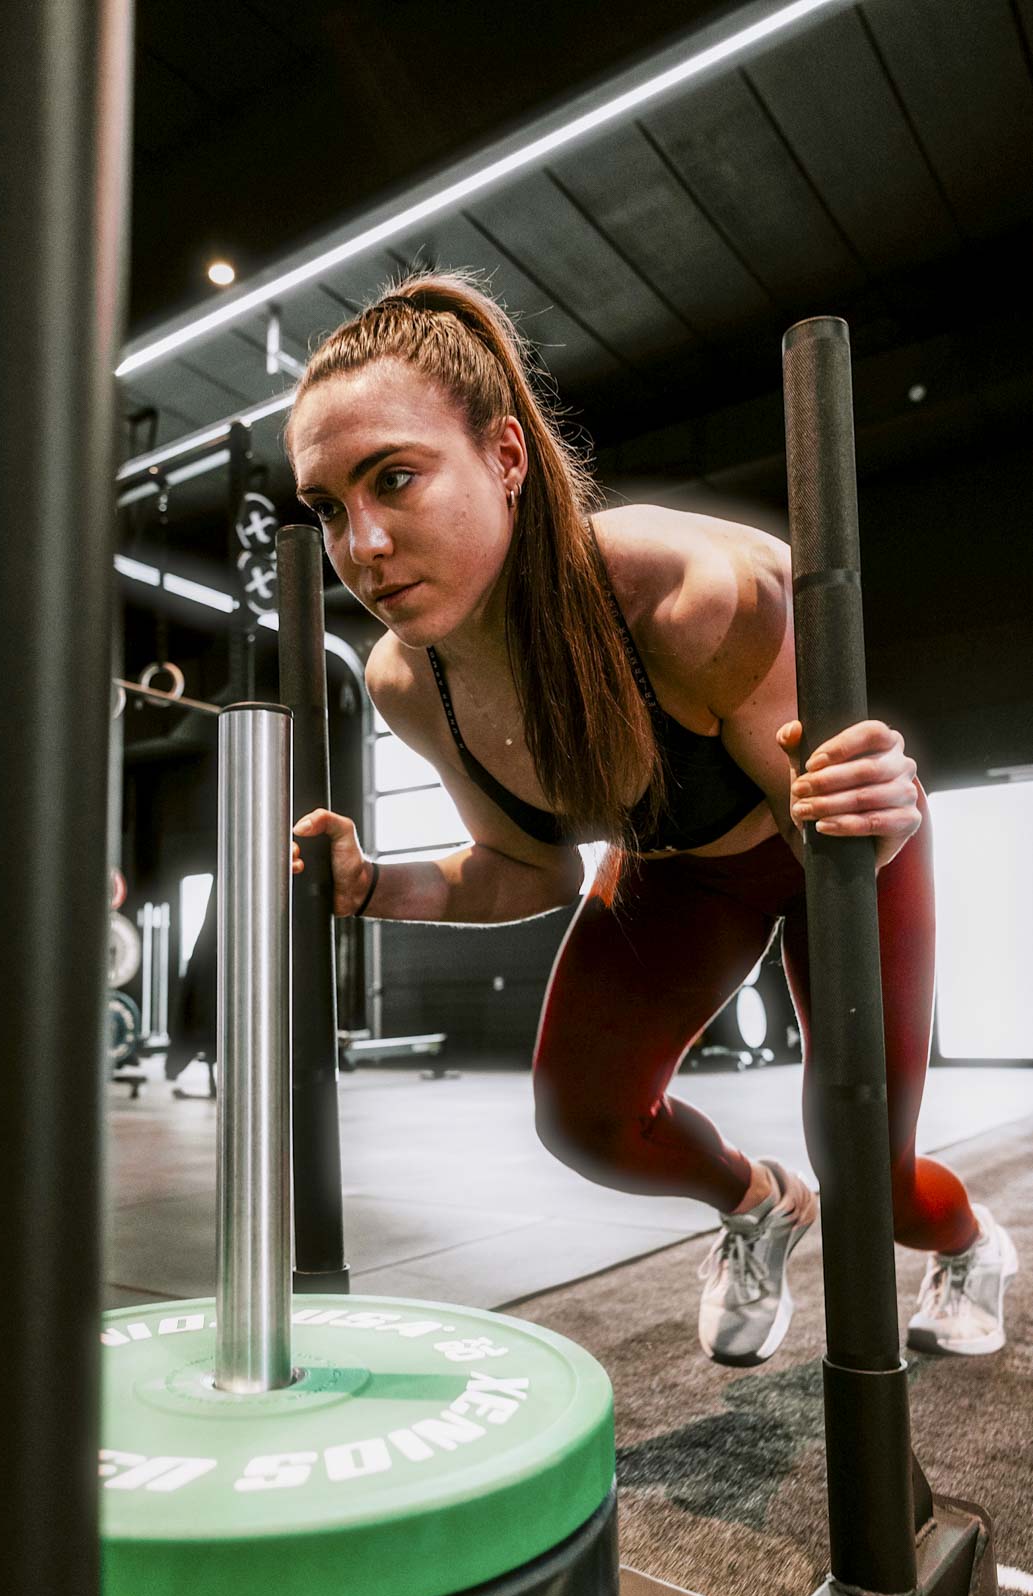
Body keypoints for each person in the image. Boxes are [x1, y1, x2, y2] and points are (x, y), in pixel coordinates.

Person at [287, 271, 1018, 1363]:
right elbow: (524, 868)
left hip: (832, 851)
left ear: (505, 456)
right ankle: (758, 1204)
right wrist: (369, 888)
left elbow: (835, 824)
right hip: (677, 871)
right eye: (327, 508)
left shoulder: (689, 593)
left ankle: (970, 1246)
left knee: (869, 1167)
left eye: (395, 479)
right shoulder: (407, 679)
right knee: (583, 1118)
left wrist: (878, 805)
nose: (363, 545)